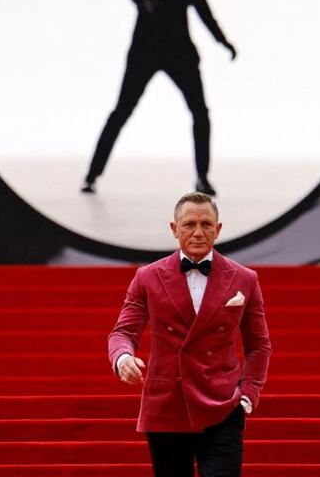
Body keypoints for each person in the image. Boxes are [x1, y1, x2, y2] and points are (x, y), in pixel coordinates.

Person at [108, 191, 271, 477]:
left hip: (222, 406)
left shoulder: (244, 278)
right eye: (189, 225)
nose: (198, 232)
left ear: (218, 230)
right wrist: (123, 358)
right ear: (174, 229)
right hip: (167, 404)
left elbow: (259, 345)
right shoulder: (147, 277)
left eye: (206, 224)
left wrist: (248, 394)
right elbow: (123, 332)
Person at [83, 0, 237, 196]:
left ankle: (202, 177)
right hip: (146, 51)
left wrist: (220, 38)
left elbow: (198, 2)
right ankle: (92, 175)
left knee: (200, 113)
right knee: (122, 111)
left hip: (179, 51)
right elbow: (142, 0)